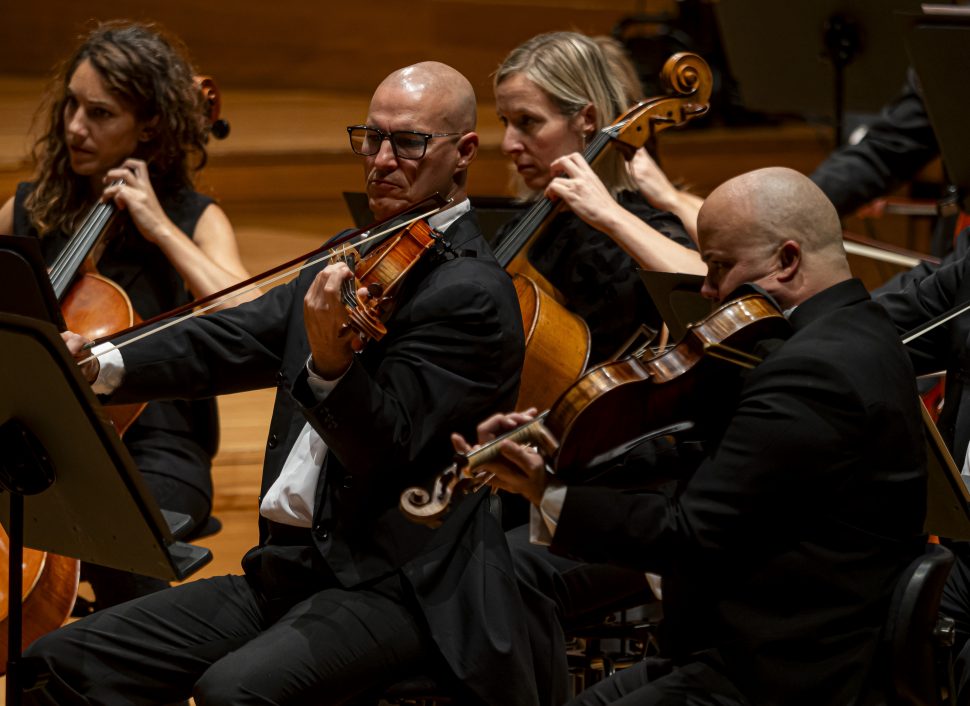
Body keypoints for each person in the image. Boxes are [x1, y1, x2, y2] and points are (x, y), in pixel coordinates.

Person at [22, 61, 536, 706]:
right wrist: (98, 360)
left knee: (233, 693)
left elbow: (390, 449)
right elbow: (232, 336)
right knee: (61, 661)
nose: (381, 159)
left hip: (392, 584)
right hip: (287, 573)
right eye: (370, 138)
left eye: (408, 142)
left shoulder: (471, 294)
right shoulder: (359, 251)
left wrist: (330, 366)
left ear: (462, 153)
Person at [463, 166, 929, 705]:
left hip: (776, 674)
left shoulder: (810, 371)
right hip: (748, 649)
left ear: (787, 260)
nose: (705, 289)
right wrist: (562, 449)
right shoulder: (861, 331)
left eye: (719, 267)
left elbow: (687, 536)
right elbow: (709, 454)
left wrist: (547, 493)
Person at [0, 21, 256, 610]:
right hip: (36, 445)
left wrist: (160, 227)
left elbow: (253, 310)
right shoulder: (30, 207)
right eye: (70, 106)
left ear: (150, 126)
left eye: (100, 113)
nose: (74, 127)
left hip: (157, 451)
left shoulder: (192, 218)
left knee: (114, 542)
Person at [493, 30, 705, 364]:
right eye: (505, 122)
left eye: (527, 122)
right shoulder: (521, 231)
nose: (507, 144)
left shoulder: (639, 224)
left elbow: (708, 293)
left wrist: (609, 216)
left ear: (586, 120)